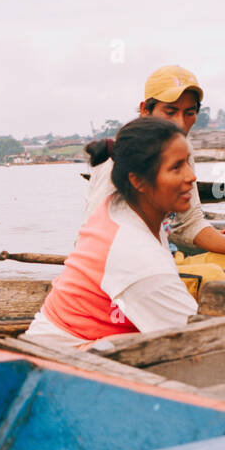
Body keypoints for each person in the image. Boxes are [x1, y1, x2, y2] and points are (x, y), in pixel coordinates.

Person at [83, 65, 225, 277]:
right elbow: (93, 240)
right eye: (170, 111)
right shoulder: (123, 157)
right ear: (145, 110)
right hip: (131, 273)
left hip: (168, 260)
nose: (180, 123)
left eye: (189, 113)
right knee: (213, 276)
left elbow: (189, 223)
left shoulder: (182, 149)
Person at [24, 117, 198, 345]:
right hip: (63, 361)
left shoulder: (120, 207)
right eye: (176, 167)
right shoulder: (137, 254)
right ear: (138, 181)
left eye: (188, 162)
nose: (191, 176)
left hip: (58, 342)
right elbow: (197, 341)